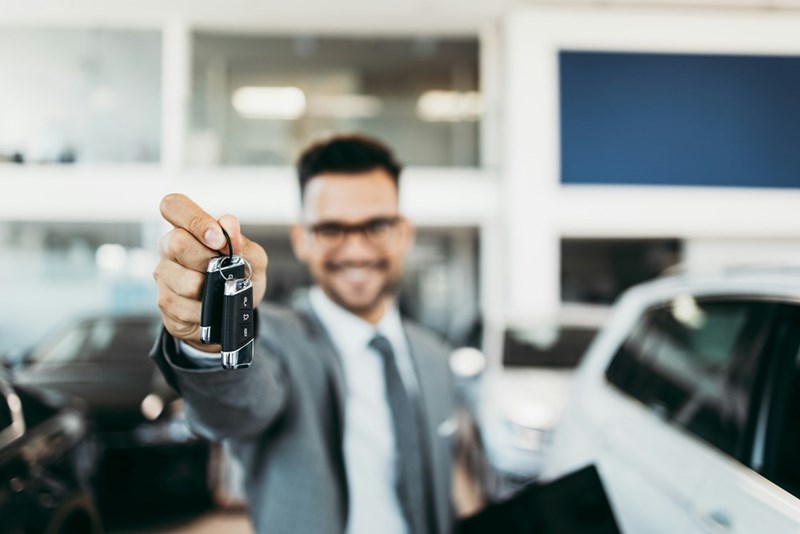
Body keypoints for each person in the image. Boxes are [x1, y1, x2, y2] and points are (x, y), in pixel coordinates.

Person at [150, 134, 460, 534]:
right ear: (302, 239)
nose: (355, 250)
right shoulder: (276, 341)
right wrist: (212, 337)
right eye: (332, 228)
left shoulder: (434, 355)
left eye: (376, 225)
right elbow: (235, 409)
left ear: (404, 233)